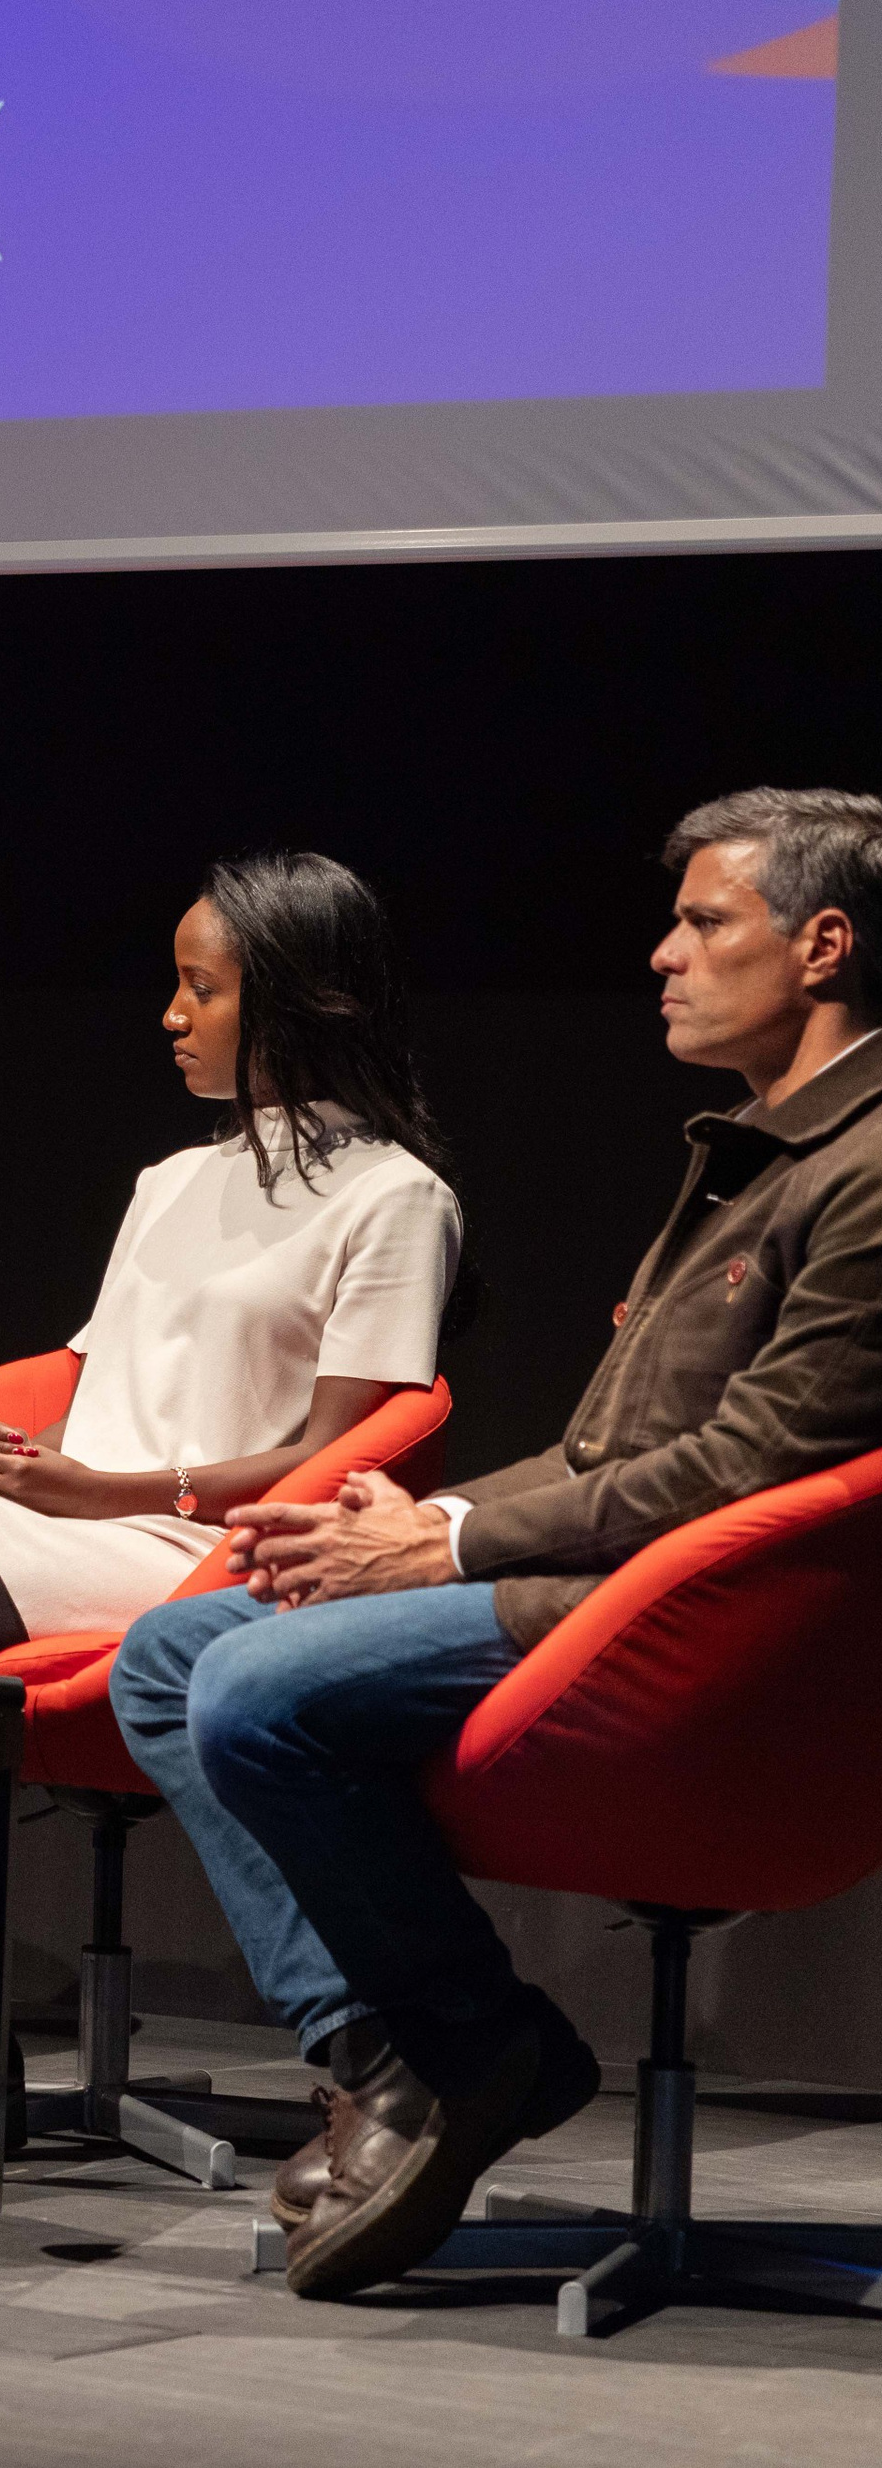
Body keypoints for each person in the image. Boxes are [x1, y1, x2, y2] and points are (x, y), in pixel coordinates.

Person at [111, 786, 882, 2303]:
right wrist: (419, 1519)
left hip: (703, 1631)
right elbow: (613, 1448)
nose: (664, 954)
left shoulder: (866, 1172)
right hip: (605, 1580)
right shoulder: (757, 1149)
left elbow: (751, 1469)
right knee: (170, 1652)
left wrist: (448, 1548)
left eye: (706, 922)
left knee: (255, 1694)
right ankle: (393, 2056)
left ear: (825, 946)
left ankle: (475, 2051)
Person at [0, 853, 464, 2160]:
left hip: (213, 1548)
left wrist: (114, 1488)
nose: (171, 1014)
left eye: (202, 988)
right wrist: (54, 1475)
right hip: (78, 1527)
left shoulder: (395, 1198)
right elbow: (96, 1392)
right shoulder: (168, 1184)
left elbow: (351, 1450)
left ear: (299, 1000)